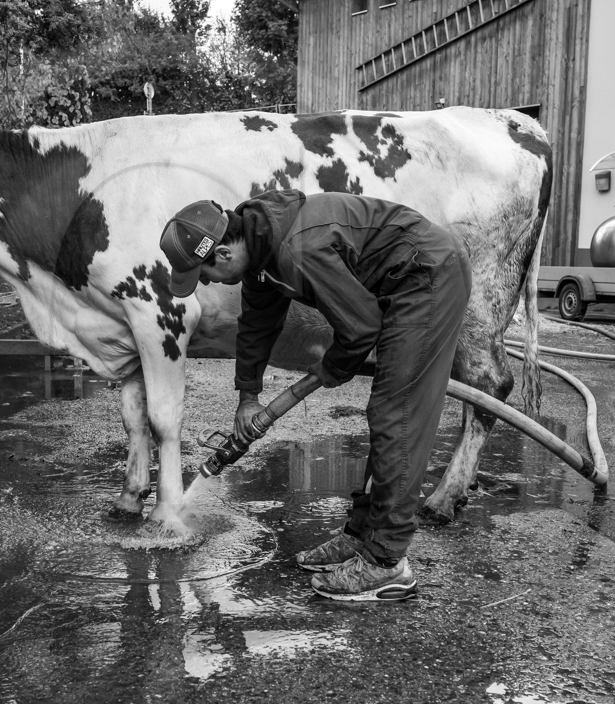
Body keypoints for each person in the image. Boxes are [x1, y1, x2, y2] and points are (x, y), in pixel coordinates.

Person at [159, 189, 471, 601]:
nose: (205, 284)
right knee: (386, 412)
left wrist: (328, 369)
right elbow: (256, 327)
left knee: (396, 414)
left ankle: (387, 563)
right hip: (399, 282)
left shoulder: (295, 249)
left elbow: (360, 328)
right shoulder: (260, 252)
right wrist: (248, 398)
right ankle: (362, 535)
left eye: (202, 275)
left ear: (220, 255)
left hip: (428, 276)